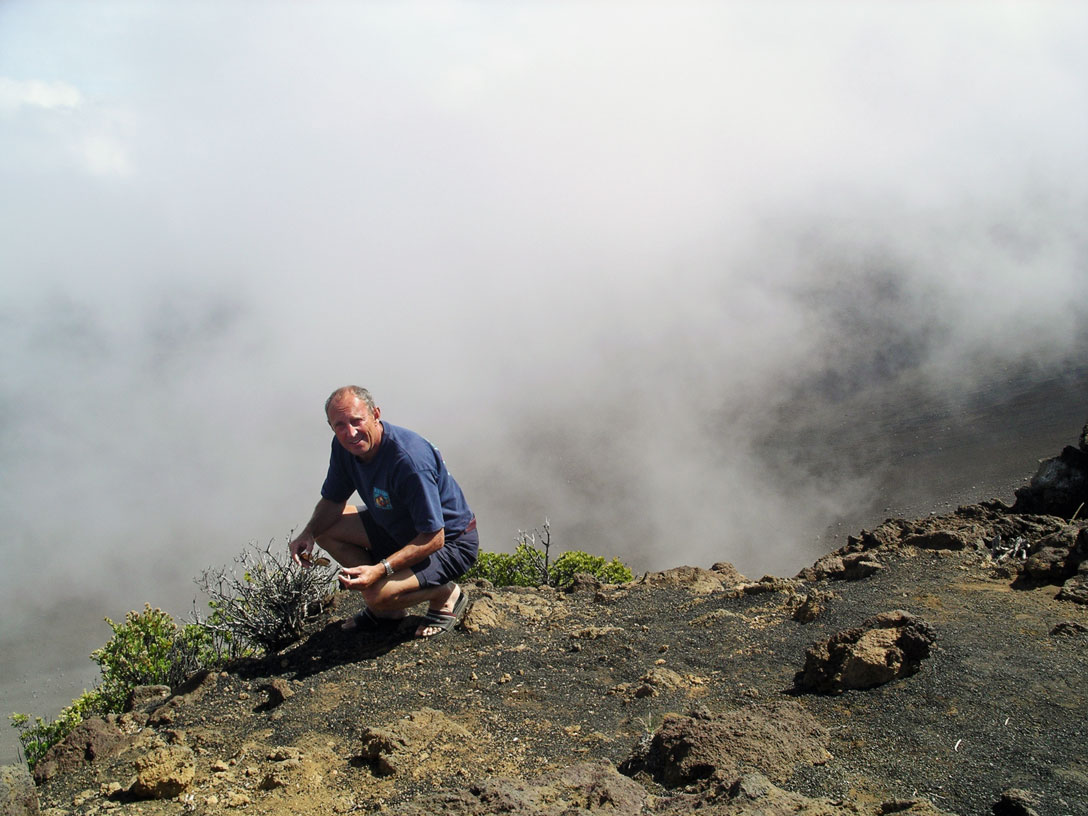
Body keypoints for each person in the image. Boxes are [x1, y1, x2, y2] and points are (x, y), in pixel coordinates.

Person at [289, 385, 478, 638]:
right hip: (397, 526)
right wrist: (308, 533)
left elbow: (435, 537)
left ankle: (444, 594)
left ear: (375, 414)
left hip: (449, 543)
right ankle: (388, 609)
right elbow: (333, 500)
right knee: (325, 529)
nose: (350, 432)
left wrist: (379, 570)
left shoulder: (408, 461)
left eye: (357, 421)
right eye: (340, 425)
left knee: (376, 596)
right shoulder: (344, 447)